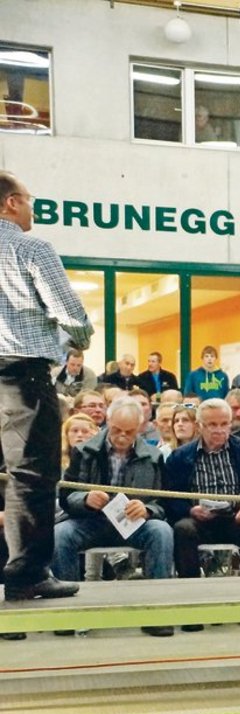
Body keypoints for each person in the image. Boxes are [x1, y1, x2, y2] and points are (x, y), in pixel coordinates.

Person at [0, 170, 92, 602]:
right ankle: (27, 574)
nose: (33, 207)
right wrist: (80, 336)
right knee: (31, 475)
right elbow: (67, 309)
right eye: (30, 199)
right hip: (21, 373)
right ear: (11, 202)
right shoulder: (29, 246)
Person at [53, 397, 175, 636]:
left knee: (161, 531)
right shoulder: (84, 451)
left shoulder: (154, 456)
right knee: (60, 535)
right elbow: (67, 496)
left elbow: (165, 502)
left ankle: (158, 613)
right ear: (107, 422)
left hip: (135, 523)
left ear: (140, 427)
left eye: (129, 432)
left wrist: (148, 509)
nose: (121, 436)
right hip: (90, 521)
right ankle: (66, 613)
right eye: (116, 429)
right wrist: (85, 500)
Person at [164, 398, 240, 597]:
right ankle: (192, 596)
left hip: (236, 518)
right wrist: (190, 510)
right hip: (199, 520)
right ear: (199, 426)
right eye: (212, 425)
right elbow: (170, 499)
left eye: (224, 424)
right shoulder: (180, 456)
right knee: (182, 529)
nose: (219, 430)